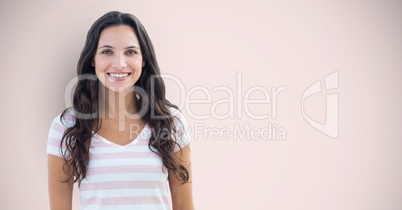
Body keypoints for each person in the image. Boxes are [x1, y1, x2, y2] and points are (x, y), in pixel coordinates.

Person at [47, 11, 194, 210]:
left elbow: (185, 206)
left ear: (143, 60)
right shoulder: (66, 126)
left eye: (130, 52)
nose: (119, 63)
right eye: (107, 51)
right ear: (93, 59)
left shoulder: (171, 122)